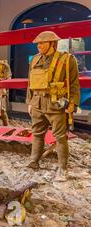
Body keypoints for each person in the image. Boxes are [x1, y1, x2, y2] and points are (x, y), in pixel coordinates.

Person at [26, 31, 80, 181]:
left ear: (53, 43)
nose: (39, 46)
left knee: (60, 137)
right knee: (37, 133)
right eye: (38, 43)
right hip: (37, 102)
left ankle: (63, 169)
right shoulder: (35, 59)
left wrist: (73, 103)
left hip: (56, 104)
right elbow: (29, 83)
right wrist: (30, 102)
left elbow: (75, 84)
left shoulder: (67, 59)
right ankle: (34, 161)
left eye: (42, 43)